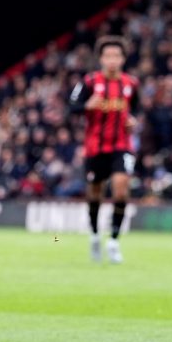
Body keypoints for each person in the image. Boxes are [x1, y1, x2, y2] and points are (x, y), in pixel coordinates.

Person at [69, 36, 139, 263]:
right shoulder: (89, 82)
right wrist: (85, 106)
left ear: (123, 59)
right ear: (100, 58)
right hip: (95, 147)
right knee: (95, 193)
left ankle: (114, 241)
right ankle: (95, 235)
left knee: (120, 189)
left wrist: (133, 121)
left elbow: (135, 110)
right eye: (108, 56)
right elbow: (72, 107)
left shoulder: (131, 84)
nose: (112, 60)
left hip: (122, 145)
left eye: (116, 56)